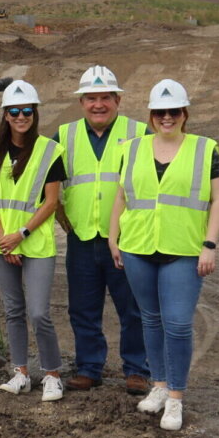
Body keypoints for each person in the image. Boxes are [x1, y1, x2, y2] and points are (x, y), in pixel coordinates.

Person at [109, 79, 219, 432]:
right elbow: (121, 196)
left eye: (173, 111)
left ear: (184, 114)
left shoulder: (206, 149)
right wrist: (113, 238)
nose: (166, 117)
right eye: (160, 112)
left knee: (177, 323)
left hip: (184, 249)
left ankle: (175, 397)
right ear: (150, 115)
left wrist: (210, 244)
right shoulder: (130, 149)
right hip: (138, 246)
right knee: (150, 318)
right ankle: (158, 385)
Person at [55, 65, 151, 395]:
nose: (99, 104)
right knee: (83, 308)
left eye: (105, 98)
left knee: (133, 307)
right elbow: (47, 180)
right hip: (81, 237)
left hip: (127, 238)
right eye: (91, 98)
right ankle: (89, 367)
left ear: (118, 100)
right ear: (81, 102)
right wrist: (56, 211)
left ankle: (137, 369)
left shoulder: (140, 133)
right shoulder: (64, 135)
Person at [0, 80, 67, 402]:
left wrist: (21, 235)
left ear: (35, 113)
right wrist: (6, 239)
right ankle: (20, 371)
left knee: (39, 312)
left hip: (36, 243)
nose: (21, 116)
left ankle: (52, 374)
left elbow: (51, 202)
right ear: (5, 115)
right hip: (2, 243)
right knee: (13, 310)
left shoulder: (49, 151)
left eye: (26, 111)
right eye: (14, 111)